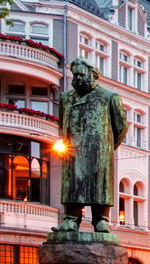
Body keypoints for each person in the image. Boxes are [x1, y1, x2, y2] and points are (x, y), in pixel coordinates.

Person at [51, 59, 128, 237]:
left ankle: (101, 220)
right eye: (75, 75)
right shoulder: (66, 98)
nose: (77, 78)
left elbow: (121, 127)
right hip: (73, 149)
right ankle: (71, 219)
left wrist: (107, 147)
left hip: (99, 150)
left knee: (99, 185)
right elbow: (63, 122)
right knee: (72, 185)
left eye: (81, 74)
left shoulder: (109, 97)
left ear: (93, 75)